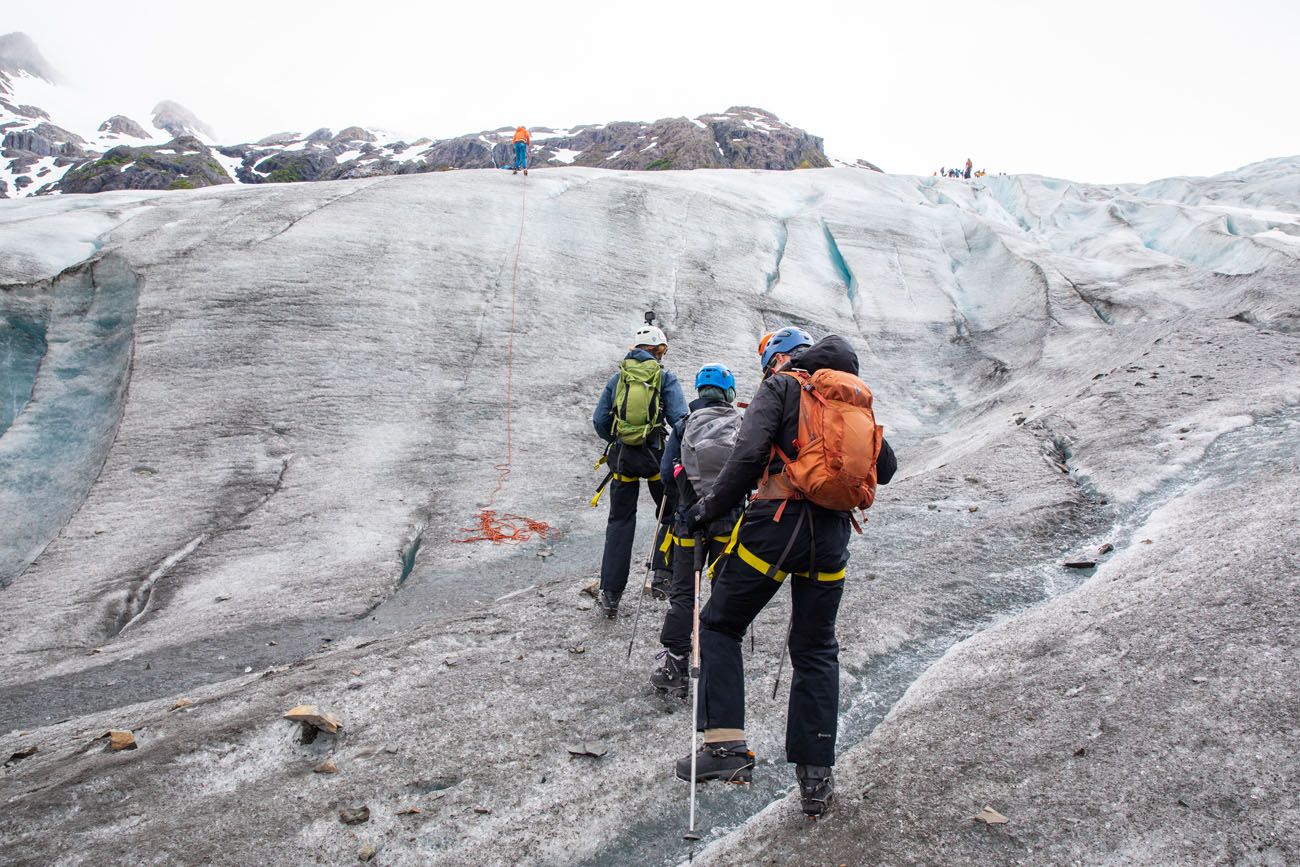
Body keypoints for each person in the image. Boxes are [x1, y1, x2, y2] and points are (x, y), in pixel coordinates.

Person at [674, 326, 897, 817]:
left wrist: (707, 511)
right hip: (834, 536)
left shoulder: (782, 386)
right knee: (817, 648)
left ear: (776, 360)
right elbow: (889, 467)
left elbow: (748, 457)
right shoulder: (854, 398)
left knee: (720, 624)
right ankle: (816, 779)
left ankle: (726, 749)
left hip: (777, 527)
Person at [650, 363, 744, 696]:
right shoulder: (741, 423)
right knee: (722, 592)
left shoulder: (684, 425)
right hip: (729, 525)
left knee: (683, 595)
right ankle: (717, 661)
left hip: (687, 525)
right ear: (728, 392)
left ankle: (675, 664)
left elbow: (666, 475)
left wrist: (685, 505)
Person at [591, 323, 688, 618]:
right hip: (656, 457)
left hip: (623, 459)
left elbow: (599, 420)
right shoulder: (664, 377)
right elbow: (681, 421)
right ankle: (662, 577)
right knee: (670, 512)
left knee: (620, 521)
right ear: (658, 350)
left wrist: (619, 440)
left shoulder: (618, 378)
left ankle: (610, 595)